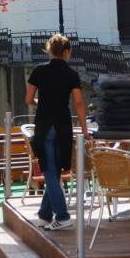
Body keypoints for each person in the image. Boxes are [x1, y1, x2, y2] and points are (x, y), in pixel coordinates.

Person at [25, 34, 89, 231]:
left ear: (49, 51)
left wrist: (40, 104)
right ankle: (46, 215)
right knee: (55, 171)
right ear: (67, 52)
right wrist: (85, 129)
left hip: (44, 124)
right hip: (63, 126)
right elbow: (78, 103)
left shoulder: (38, 71)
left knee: (50, 171)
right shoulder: (71, 74)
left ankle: (60, 216)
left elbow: (28, 99)